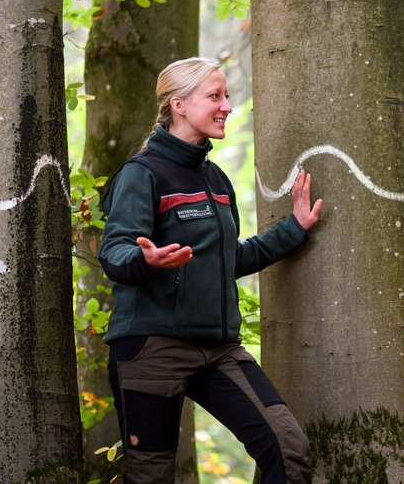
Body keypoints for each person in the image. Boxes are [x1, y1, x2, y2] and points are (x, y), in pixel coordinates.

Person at [99, 57, 323, 483]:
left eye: (227, 96)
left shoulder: (216, 179)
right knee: (151, 477)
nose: (227, 106)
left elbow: (229, 260)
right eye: (214, 96)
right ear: (179, 105)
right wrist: (145, 260)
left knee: (287, 447)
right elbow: (115, 252)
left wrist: (293, 229)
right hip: (151, 348)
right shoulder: (141, 173)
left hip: (219, 349)